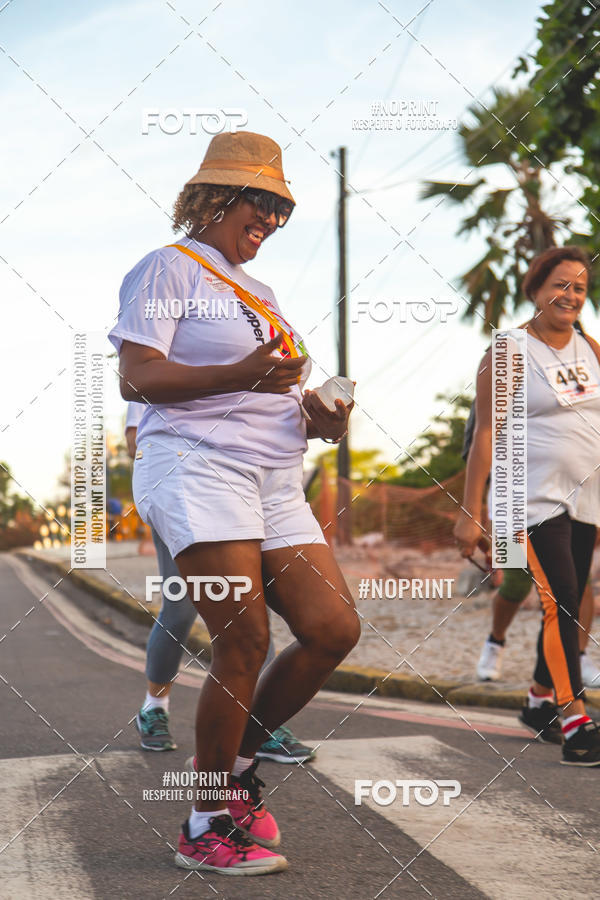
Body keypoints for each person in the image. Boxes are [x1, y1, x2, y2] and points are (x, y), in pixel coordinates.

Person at [109, 131, 360, 875]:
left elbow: (267, 389)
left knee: (332, 628)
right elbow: (137, 377)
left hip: (276, 476)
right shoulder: (168, 267)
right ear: (218, 196)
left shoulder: (262, 293)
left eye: (283, 211)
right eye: (262, 204)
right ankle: (205, 823)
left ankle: (234, 766)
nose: (272, 222)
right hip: (196, 467)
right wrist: (243, 376)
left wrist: (317, 417)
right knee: (244, 639)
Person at [455, 246, 600, 764]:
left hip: (585, 495)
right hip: (528, 498)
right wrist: (471, 512)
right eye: (560, 284)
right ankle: (575, 720)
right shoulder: (510, 349)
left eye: (580, 287)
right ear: (536, 289)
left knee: (575, 600)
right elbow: (485, 433)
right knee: (560, 599)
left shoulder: (590, 347)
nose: (570, 295)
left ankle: (539, 699)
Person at [125, 402, 317, 764]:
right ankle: (154, 707)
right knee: (180, 608)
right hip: (181, 485)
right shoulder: (165, 374)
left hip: (241, 489)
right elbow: (136, 440)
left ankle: (259, 724)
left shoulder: (254, 373)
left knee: (249, 604)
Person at [476, 571, 600, 686]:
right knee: (515, 584)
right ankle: (495, 642)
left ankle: (578, 656)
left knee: (579, 579)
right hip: (517, 552)